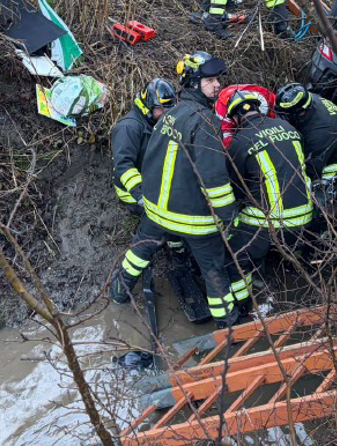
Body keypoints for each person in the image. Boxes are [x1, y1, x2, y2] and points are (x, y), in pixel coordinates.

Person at [108, 52, 241, 327]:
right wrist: (228, 216)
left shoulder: (171, 116)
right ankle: (229, 328)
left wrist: (150, 200)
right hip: (194, 220)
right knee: (214, 272)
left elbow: (152, 162)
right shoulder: (205, 121)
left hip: (157, 212)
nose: (217, 85)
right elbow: (213, 176)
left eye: (218, 79)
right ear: (194, 82)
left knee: (139, 252)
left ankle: (118, 293)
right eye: (211, 79)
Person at [223, 89, 314, 311]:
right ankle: (298, 270)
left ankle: (245, 305)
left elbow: (236, 188)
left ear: (234, 118)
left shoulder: (239, 143)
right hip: (306, 215)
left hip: (269, 220)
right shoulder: (289, 128)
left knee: (235, 261)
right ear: (259, 108)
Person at [275, 84, 337, 215]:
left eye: (287, 115)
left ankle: (325, 218)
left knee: (317, 191)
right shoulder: (309, 100)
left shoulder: (319, 133)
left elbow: (311, 169)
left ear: (301, 112)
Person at [111, 78, 178, 210]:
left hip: (152, 183)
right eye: (161, 109)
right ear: (148, 107)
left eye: (170, 108)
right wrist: (141, 194)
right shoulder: (128, 128)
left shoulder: (155, 122)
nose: (167, 114)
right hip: (132, 194)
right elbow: (123, 165)